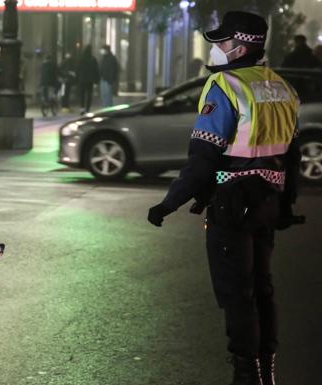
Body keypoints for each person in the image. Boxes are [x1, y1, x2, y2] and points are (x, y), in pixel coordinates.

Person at [147, 11, 300, 385]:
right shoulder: (280, 86)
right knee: (262, 289)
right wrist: (287, 204)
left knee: (238, 294)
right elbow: (291, 156)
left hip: (232, 206)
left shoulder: (225, 85)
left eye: (222, 41)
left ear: (239, 45)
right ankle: (267, 373)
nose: (216, 48)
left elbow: (203, 161)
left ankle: (246, 375)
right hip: (268, 201)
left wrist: (168, 204)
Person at [77, 45, 99, 114]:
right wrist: (96, 81)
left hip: (82, 80)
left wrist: (77, 78)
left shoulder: (81, 58)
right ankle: (87, 109)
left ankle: (82, 109)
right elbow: (96, 70)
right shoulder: (93, 59)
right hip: (90, 80)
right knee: (89, 95)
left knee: (82, 95)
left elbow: (77, 69)